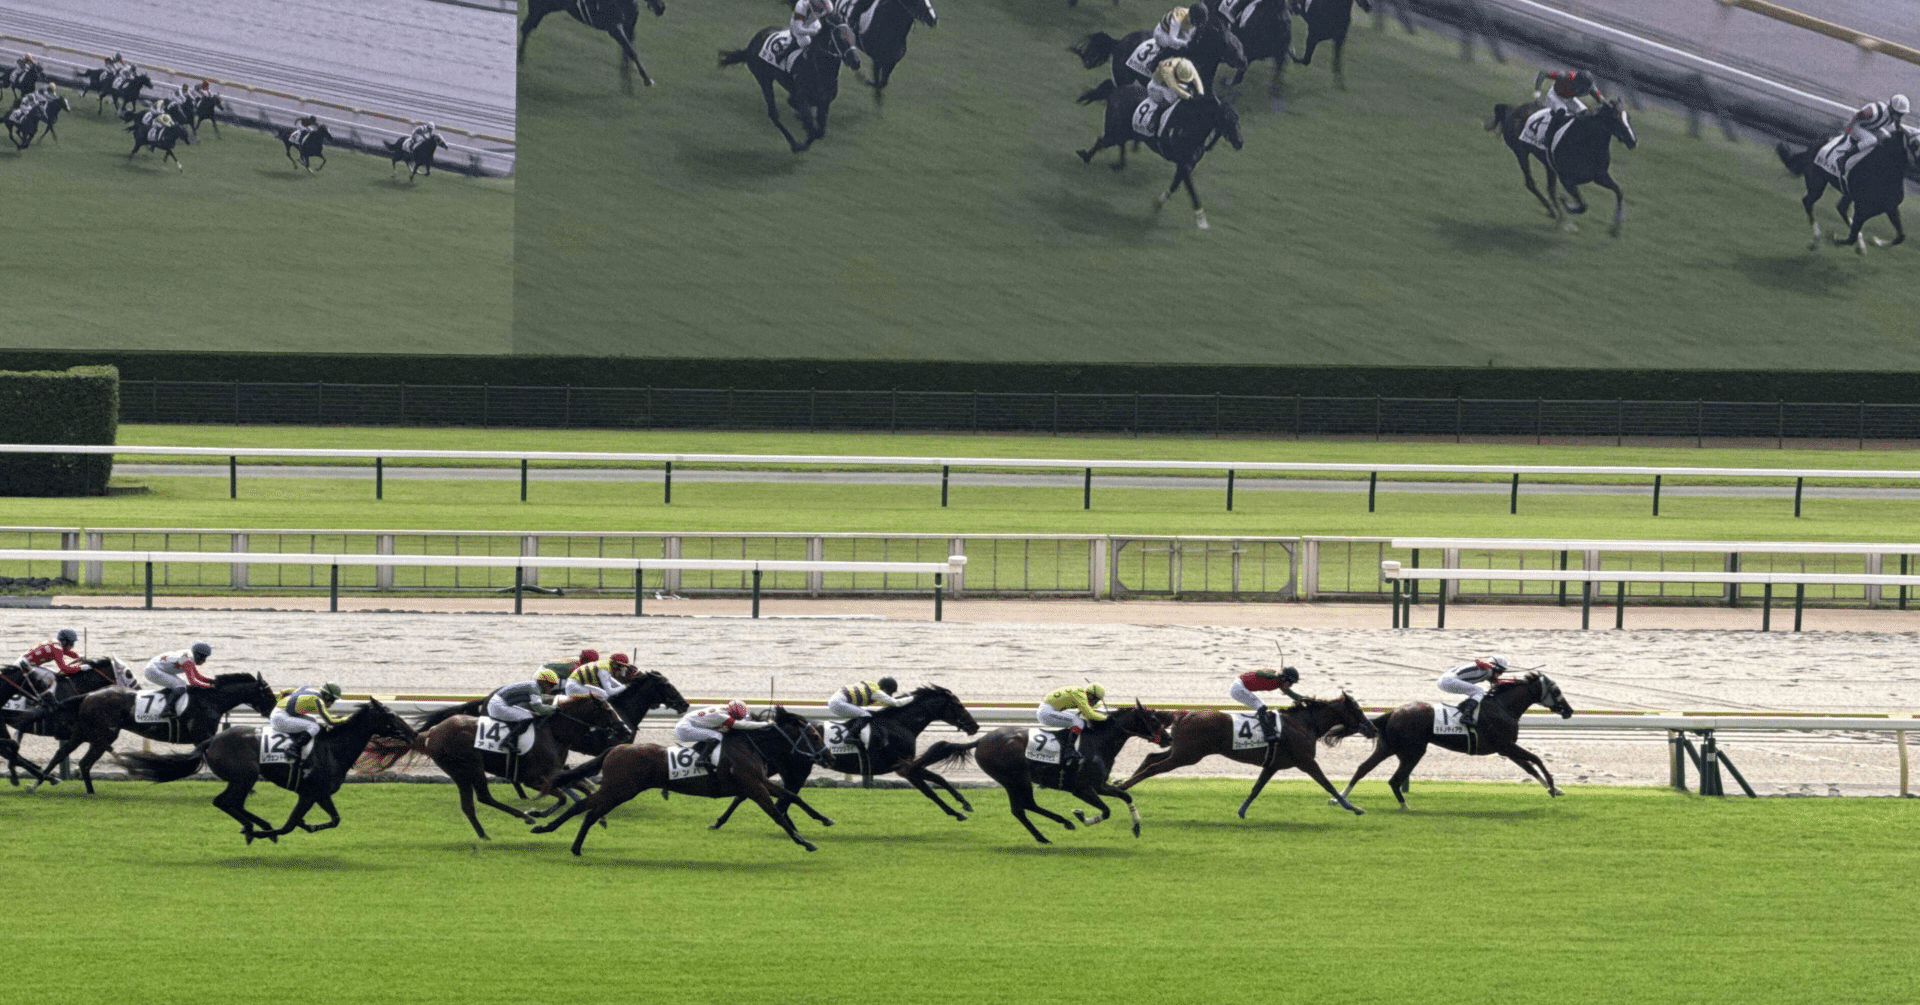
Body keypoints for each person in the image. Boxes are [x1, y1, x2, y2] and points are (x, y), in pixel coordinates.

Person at [673, 699, 773, 771]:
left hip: (688, 724)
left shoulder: (726, 709)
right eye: (737, 717)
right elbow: (740, 725)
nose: (737, 719)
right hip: (683, 729)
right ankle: (700, 760)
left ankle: (700, 754)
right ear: (733, 713)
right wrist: (765, 724)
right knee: (717, 736)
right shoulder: (721, 715)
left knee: (715, 734)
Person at [825, 676, 909, 745]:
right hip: (838, 703)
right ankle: (850, 736)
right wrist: (914, 697)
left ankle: (852, 731)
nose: (890, 695)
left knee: (862, 713)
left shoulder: (869, 685)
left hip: (835, 701)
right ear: (886, 688)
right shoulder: (876, 692)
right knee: (866, 715)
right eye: (891, 692)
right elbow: (896, 703)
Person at [1035, 682, 1108, 761]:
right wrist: (1106, 718)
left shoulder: (1079, 692)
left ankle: (1066, 744)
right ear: (1090, 694)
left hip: (1046, 710)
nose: (1095, 703)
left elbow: (1090, 707)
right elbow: (1088, 713)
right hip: (1046, 713)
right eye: (1095, 699)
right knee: (1078, 722)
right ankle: (1069, 750)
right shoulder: (1080, 695)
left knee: (1075, 720)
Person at [1228, 665, 1300, 744]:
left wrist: (1309, 699)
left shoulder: (1280, 683)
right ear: (1284, 678)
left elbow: (1293, 695)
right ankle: (1268, 735)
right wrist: (1274, 676)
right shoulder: (1275, 677)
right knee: (1261, 707)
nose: (1290, 686)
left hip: (1239, 687)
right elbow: (1259, 673)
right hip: (1238, 688)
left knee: (1262, 707)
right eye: (1290, 683)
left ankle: (1265, 732)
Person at [270, 682, 344, 759]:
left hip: (279, 714)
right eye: (333, 700)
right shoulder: (318, 701)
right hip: (280, 719)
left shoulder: (306, 688)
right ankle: (293, 748)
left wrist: (282, 705)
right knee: (314, 727)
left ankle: (301, 742)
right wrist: (347, 718)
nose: (332, 704)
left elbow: (283, 692)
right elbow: (330, 721)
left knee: (313, 719)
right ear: (327, 697)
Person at [484, 678, 556, 753]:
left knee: (528, 714)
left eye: (554, 685)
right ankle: (507, 742)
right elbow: (539, 708)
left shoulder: (534, 686)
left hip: (499, 703)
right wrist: (555, 708)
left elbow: (533, 707)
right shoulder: (535, 689)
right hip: (498, 706)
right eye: (551, 685)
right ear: (543, 683)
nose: (552, 688)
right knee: (528, 717)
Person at [1436, 655, 1508, 729]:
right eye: (1500, 672)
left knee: (1476, 693)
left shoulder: (1488, 672)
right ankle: (1466, 716)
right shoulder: (1485, 668)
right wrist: (1492, 666)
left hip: (1444, 681)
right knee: (1479, 691)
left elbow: (1498, 682)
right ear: (1495, 668)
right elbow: (1478, 659)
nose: (1500, 674)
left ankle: (1465, 709)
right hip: (1448, 680)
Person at [144, 642, 214, 716]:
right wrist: (210, 687)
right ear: (197, 655)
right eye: (203, 658)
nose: (204, 661)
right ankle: (167, 710)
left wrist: (213, 681)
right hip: (153, 670)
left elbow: (197, 676)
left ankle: (169, 698)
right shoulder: (188, 661)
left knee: (181, 684)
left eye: (205, 658)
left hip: (158, 668)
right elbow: (193, 682)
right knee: (181, 686)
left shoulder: (190, 657)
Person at [16, 628, 83, 701]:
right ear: (64, 642)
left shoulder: (56, 645)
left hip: (25, 663)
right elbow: (64, 669)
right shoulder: (57, 649)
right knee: (51, 676)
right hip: (25, 665)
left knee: (52, 673)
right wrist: (81, 668)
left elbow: (66, 652)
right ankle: (47, 697)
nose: (72, 646)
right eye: (71, 643)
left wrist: (78, 656)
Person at [1842, 94, 1909, 160]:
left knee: (1888, 137)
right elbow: (1854, 118)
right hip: (1856, 126)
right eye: (1900, 114)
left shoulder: (1892, 117)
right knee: (1871, 140)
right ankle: (1845, 156)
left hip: (1870, 128)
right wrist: (1845, 136)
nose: (1900, 118)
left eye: (1902, 114)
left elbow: (1898, 129)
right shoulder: (1874, 112)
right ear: (1892, 110)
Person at [1534, 69, 1604, 121]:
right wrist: (1537, 93)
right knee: (1562, 111)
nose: (1585, 90)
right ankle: (1548, 136)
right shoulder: (1566, 76)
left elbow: (1601, 100)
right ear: (1577, 83)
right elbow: (1543, 73)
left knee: (1583, 112)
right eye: (1582, 88)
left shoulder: (1590, 88)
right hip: (1555, 95)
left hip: (1569, 98)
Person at [566, 652, 634, 700]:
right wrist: (626, 686)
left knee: (603, 693)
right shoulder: (603, 671)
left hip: (578, 684)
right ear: (614, 664)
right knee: (604, 695)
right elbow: (610, 692)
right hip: (573, 687)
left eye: (623, 667)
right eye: (620, 666)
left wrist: (626, 687)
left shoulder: (607, 665)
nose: (621, 669)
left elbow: (614, 683)